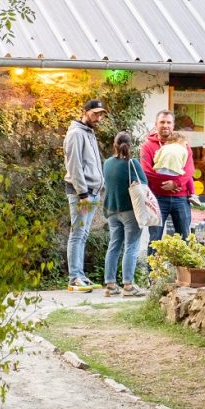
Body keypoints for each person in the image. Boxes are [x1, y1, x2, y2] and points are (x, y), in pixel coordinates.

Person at [63, 99, 107, 292]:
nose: (98, 118)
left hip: (92, 192)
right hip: (82, 193)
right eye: (95, 114)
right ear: (85, 112)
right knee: (77, 234)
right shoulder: (76, 133)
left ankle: (79, 275)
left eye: (100, 114)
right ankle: (74, 278)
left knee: (83, 234)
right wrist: (83, 193)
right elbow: (74, 166)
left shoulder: (88, 133)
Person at [141, 110, 194, 255]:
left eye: (168, 122)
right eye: (162, 122)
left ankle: (184, 276)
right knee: (155, 240)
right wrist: (168, 183)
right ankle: (153, 277)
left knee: (185, 239)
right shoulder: (147, 146)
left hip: (181, 198)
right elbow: (147, 171)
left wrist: (176, 183)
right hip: (157, 198)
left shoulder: (183, 145)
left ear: (173, 125)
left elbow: (189, 170)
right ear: (156, 124)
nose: (165, 125)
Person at [102, 131, 146, 297]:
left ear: (114, 144)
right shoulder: (132, 164)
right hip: (129, 211)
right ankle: (128, 285)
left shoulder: (107, 163)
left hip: (111, 210)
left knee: (114, 246)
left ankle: (110, 285)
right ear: (131, 145)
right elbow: (144, 184)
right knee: (131, 246)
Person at [153, 131, 199, 205]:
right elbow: (184, 164)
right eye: (185, 144)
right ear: (180, 141)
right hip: (175, 173)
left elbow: (155, 159)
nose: (186, 146)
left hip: (160, 172)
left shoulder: (163, 147)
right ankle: (193, 194)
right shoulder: (184, 150)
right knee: (188, 176)